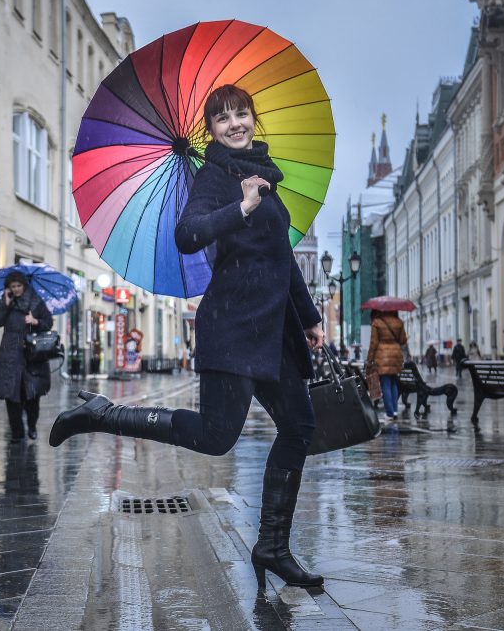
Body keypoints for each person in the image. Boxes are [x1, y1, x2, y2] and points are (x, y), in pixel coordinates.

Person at [49, 84, 326, 590]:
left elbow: (282, 258)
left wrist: (309, 318)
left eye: (242, 113)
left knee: (300, 427)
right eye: (223, 119)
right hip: (232, 327)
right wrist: (238, 209)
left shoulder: (269, 178)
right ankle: (103, 414)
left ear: (254, 119)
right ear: (211, 130)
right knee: (218, 437)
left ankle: (272, 546)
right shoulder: (214, 177)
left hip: (275, 331)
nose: (235, 124)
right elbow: (187, 233)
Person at [0, 270, 53, 442]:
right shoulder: (6, 302)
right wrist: (5, 304)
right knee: (11, 396)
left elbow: (48, 323)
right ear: (8, 288)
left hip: (32, 357)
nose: (16, 289)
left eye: (19, 286)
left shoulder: (37, 302)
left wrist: (36, 322)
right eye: (13, 286)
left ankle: (32, 425)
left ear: (24, 286)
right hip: (10, 355)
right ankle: (17, 433)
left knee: (32, 396)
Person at [368, 309, 407, 421]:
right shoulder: (399, 322)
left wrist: (370, 359)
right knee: (394, 383)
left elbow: (374, 343)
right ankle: (394, 410)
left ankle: (389, 413)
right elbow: (403, 340)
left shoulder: (377, 322)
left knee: (385, 384)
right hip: (396, 355)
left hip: (382, 356)